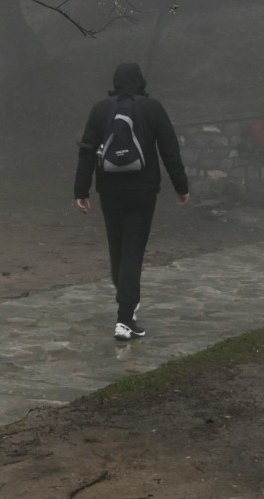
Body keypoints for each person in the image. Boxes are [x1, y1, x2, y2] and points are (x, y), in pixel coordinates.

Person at [74, 61, 189, 340]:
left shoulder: (101, 110)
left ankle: (127, 298)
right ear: (140, 81)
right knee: (133, 249)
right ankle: (125, 318)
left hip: (110, 190)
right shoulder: (152, 109)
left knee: (118, 246)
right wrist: (181, 186)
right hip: (143, 190)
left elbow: (87, 150)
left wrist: (81, 190)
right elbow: (169, 149)